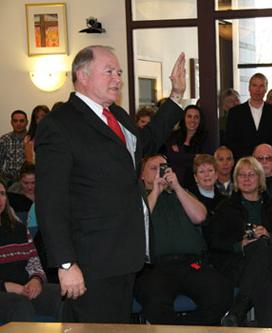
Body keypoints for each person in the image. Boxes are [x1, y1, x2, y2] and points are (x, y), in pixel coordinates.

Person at [35, 45, 186, 323]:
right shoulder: (60, 124)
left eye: (119, 72)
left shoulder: (116, 114)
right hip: (90, 260)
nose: (117, 78)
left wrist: (176, 96)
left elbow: (147, 141)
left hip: (125, 255)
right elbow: (50, 202)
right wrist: (66, 263)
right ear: (82, 75)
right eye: (109, 72)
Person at [134, 155, 232, 325]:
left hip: (191, 264)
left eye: (163, 167)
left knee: (221, 291)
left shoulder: (183, 193)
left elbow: (200, 216)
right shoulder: (137, 197)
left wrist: (177, 187)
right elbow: (138, 221)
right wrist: (155, 191)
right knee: (155, 301)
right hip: (155, 267)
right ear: (142, 175)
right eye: (153, 168)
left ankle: (188, 328)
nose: (160, 172)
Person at [208, 157, 272, 328]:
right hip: (239, 265)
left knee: (262, 246)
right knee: (265, 280)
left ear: (260, 178)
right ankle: (269, 327)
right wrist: (239, 245)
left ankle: (239, 308)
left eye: (251, 174)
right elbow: (214, 240)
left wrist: (270, 236)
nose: (246, 179)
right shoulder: (225, 207)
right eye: (242, 175)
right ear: (236, 180)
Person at [0, 178, 61, 323]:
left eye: (2, 193)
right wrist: (6, 286)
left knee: (62, 294)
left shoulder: (18, 228)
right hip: (5, 292)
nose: (0, 199)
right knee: (19, 304)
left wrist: (36, 279)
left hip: (25, 287)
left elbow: (34, 261)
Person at [224, 73, 272, 166]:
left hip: (269, 165)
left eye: (261, 86)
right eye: (254, 85)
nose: (258, 90)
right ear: (249, 88)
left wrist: (267, 157)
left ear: (266, 89)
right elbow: (230, 141)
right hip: (244, 165)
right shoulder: (235, 113)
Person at [160, 104, 209, 188]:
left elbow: (202, 161)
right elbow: (170, 157)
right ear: (184, 118)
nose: (192, 120)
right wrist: (193, 157)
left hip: (196, 184)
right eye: (189, 116)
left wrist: (179, 156)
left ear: (200, 120)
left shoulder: (205, 138)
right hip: (174, 182)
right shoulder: (173, 136)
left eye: (196, 117)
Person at [0, 110, 28, 185]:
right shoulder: (4, 139)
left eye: (21, 121)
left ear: (27, 122)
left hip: (29, 183)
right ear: (11, 122)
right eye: (15, 121)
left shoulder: (32, 138)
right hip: (8, 182)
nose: (18, 124)